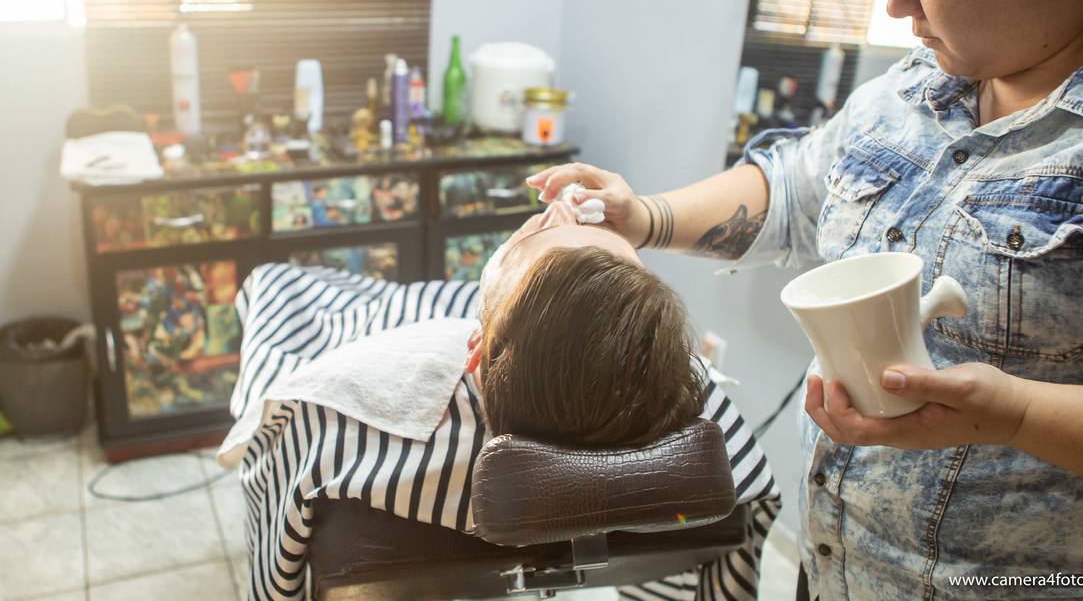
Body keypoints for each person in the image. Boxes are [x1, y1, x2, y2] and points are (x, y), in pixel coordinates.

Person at [530, 0, 1083, 597]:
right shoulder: (930, 80)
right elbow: (795, 188)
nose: (893, 4)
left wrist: (1017, 415)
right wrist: (646, 216)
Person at [217, 199, 780, 601]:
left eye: (534, 237)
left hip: (354, 325)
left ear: (476, 348)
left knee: (279, 286)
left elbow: (273, 519)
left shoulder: (332, 416)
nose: (562, 209)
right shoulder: (699, 410)